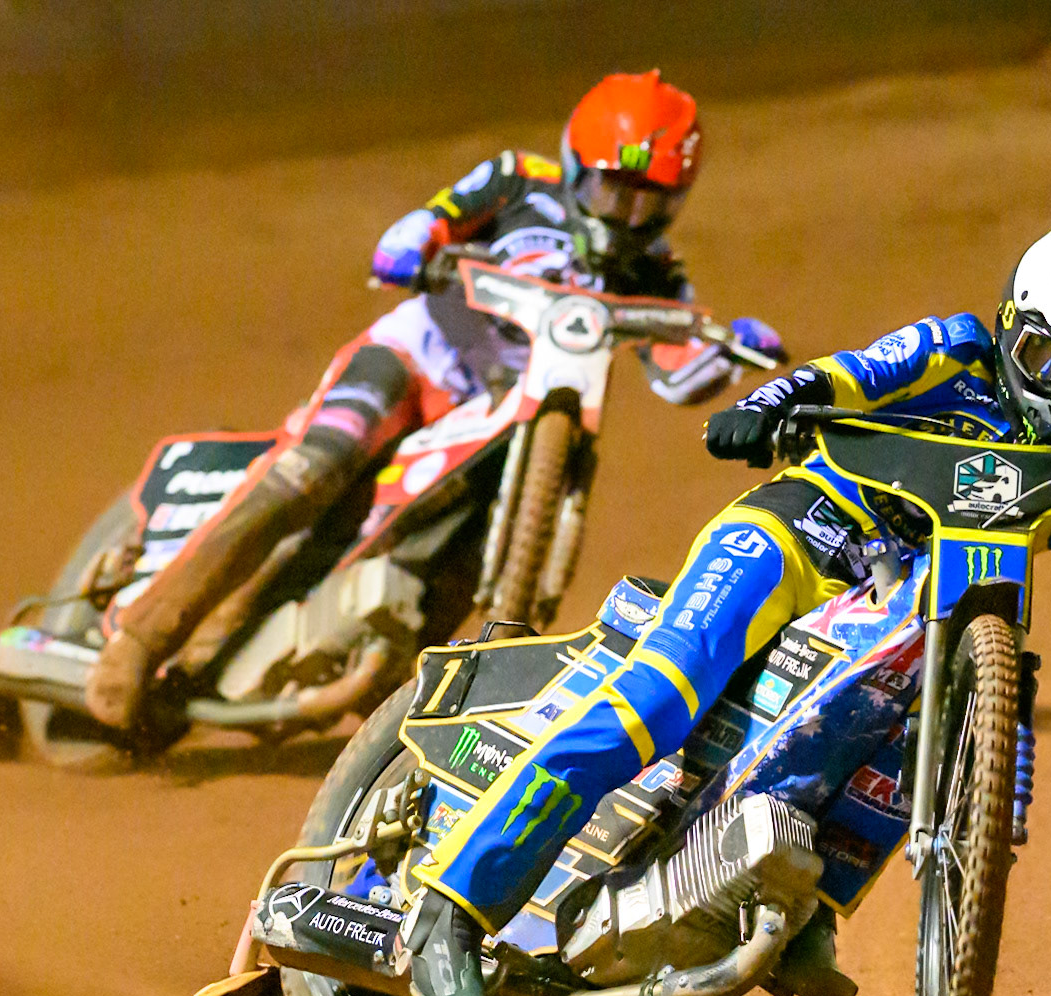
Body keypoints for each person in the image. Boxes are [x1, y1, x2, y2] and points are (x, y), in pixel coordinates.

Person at [397, 221, 1051, 996]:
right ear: (1010, 325)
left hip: (903, 603)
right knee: (658, 698)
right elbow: (845, 376)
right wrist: (767, 407)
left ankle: (799, 905)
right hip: (798, 535)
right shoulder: (954, 346)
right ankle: (450, 912)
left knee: (916, 714)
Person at [84, 70, 785, 730]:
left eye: (650, 200)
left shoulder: (658, 269)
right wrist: (412, 242)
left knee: (456, 567)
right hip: (415, 362)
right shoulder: (519, 181)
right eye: (614, 191)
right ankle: (140, 638)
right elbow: (434, 220)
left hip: (509, 420)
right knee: (316, 466)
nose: (628, 215)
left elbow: (677, 371)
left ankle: (406, 703)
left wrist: (725, 352)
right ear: (576, 164)